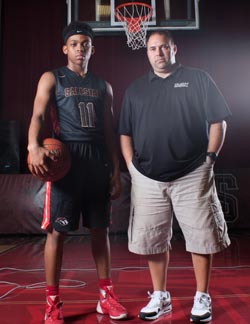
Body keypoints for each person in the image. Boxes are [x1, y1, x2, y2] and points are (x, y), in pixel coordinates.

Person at [118, 30, 231, 322]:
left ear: (174, 49)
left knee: (202, 238)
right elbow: (125, 133)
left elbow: (218, 121)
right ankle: (160, 295)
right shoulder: (136, 89)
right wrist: (131, 166)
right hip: (148, 177)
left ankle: (201, 296)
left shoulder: (198, 79)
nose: (159, 53)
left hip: (192, 172)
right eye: (153, 48)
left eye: (164, 47)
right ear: (147, 53)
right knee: (152, 240)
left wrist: (210, 159)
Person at [27, 21, 128, 323]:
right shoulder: (52, 78)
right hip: (66, 161)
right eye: (74, 43)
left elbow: (110, 131)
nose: (80, 48)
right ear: (65, 48)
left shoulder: (103, 86)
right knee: (57, 232)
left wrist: (115, 170)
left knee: (101, 230)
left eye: (85, 43)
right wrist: (33, 145)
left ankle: (106, 297)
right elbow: (38, 114)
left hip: (97, 161)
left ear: (92, 48)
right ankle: (52, 301)